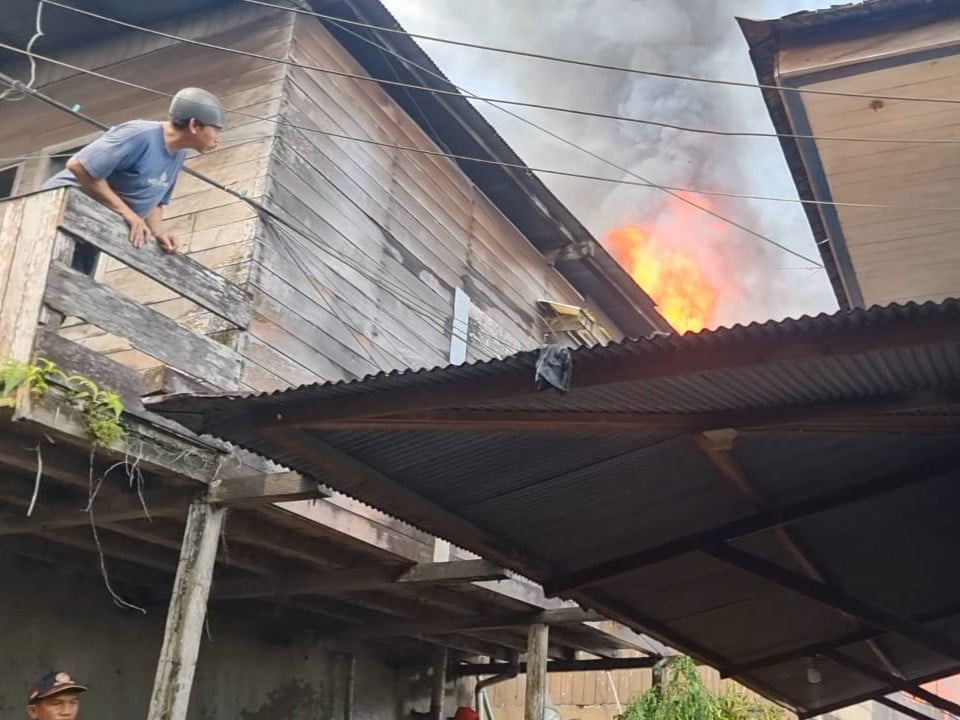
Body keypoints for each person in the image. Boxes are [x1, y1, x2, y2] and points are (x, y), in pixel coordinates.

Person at [43, 87, 224, 254]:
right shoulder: (139, 134)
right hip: (57, 212)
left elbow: (153, 199)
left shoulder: (178, 154)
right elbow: (78, 165)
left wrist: (158, 231)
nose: (217, 139)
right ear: (194, 125)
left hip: (97, 224)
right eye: (216, 130)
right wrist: (127, 214)